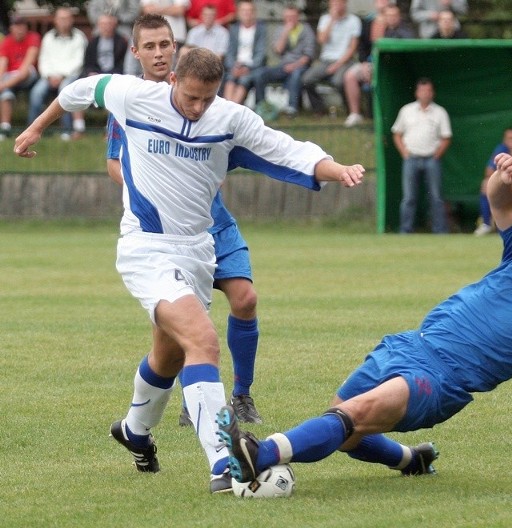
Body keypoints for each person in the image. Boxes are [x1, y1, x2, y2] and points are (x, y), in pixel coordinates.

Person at [15, 47, 365, 494]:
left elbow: (286, 149)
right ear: (175, 79)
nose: (198, 108)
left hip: (199, 252)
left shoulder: (230, 117)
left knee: (170, 354)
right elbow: (81, 90)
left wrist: (339, 169)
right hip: (146, 248)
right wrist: (34, 128)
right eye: (191, 97)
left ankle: (134, 430)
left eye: (207, 99)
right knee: (202, 340)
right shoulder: (136, 96)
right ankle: (224, 462)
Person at [216, 152, 512, 499]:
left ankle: (257, 454)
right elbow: (502, 204)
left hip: (441, 381)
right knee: (346, 432)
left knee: (353, 413)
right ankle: (411, 460)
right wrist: (502, 177)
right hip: (408, 345)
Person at [105, 13, 264, 428]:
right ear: (136, 52)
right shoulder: (127, 99)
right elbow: (113, 164)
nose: (159, 53)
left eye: (165, 44)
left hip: (212, 222)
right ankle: (193, 399)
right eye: (151, 46)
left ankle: (242, 395)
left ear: (176, 48)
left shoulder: (204, 93)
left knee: (245, 299)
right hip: (161, 233)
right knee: (183, 331)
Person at [392, 77, 452, 234]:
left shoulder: (440, 112)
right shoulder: (406, 110)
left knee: (436, 197)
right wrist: (404, 152)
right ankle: (405, 231)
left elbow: (446, 137)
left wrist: (437, 155)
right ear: (417, 93)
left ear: (432, 93)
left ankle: (440, 231)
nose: (425, 93)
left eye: (428, 91)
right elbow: (397, 133)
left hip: (431, 159)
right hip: (411, 158)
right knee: (409, 198)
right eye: (422, 90)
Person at [27, 7, 87, 141]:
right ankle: (31, 130)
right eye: (61, 18)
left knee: (65, 91)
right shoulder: (48, 37)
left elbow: (78, 61)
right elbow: (43, 60)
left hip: (69, 76)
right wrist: (49, 76)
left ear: (71, 20)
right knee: (36, 92)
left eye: (66, 18)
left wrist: (61, 76)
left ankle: (66, 130)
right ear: (55, 20)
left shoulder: (79, 37)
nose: (64, 21)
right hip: (49, 76)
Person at [252, 4, 315, 119]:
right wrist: (285, 33)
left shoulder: (306, 30)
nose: (290, 19)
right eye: (287, 17)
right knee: (259, 74)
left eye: (293, 16)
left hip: (300, 66)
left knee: (295, 75)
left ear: (298, 17)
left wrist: (294, 65)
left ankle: (292, 109)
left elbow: (308, 56)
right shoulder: (280, 29)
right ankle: (261, 106)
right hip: (283, 66)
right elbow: (278, 50)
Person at [301, 0, 361, 116]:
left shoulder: (354, 20)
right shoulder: (325, 19)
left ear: (345, 4)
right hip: (326, 60)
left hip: (345, 61)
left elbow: (352, 48)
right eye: (333, 4)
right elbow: (321, 40)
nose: (336, 6)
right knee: (306, 79)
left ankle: (349, 110)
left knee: (338, 81)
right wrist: (332, 21)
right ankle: (319, 109)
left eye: (338, 3)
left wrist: (337, 65)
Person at [475, 127, 512, 235]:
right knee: (485, 184)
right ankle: (486, 224)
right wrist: (503, 176)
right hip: (507, 180)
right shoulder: (500, 149)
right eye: (510, 138)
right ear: (504, 140)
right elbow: (488, 172)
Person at [342, 0, 388, 128]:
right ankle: (355, 114)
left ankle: (383, 115)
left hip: (388, 64)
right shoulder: (368, 21)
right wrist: (363, 63)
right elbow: (362, 46)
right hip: (369, 62)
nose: (382, 3)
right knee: (350, 76)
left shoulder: (394, 20)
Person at [0, 15, 40, 140]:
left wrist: (3, 85)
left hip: (30, 77)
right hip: (10, 77)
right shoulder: (7, 41)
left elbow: (24, 71)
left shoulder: (33, 37)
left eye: (22, 26)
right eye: (17, 26)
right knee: (5, 94)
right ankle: (5, 127)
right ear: (11, 27)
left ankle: (31, 128)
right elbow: (2, 64)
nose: (20, 29)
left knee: (27, 72)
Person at [222, 0, 267, 104]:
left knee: (244, 80)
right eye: (244, 10)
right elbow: (230, 52)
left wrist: (247, 67)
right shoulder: (234, 29)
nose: (247, 13)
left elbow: (261, 53)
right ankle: (227, 108)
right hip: (235, 66)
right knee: (230, 78)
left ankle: (233, 110)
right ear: (239, 13)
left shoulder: (260, 29)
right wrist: (233, 66)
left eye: (249, 10)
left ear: (254, 13)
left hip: (252, 67)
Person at [86, 0, 142, 75]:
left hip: (124, 27)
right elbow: (92, 15)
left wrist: (117, 18)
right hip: (96, 72)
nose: (107, 27)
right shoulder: (93, 42)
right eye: (104, 24)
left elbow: (134, 13)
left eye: (109, 24)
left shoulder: (124, 41)